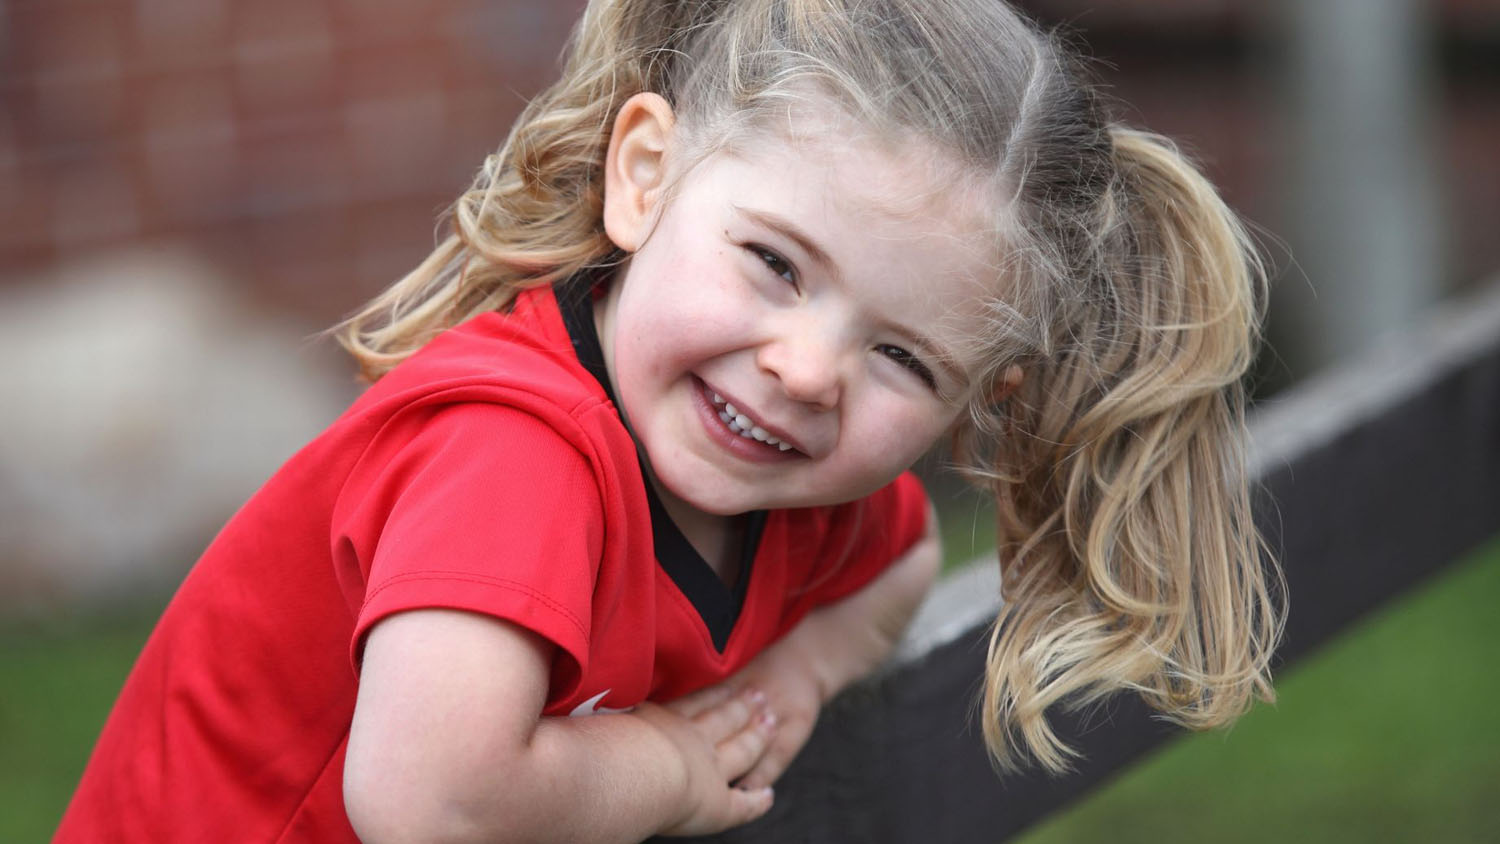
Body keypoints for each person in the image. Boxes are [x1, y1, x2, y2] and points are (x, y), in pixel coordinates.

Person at [56, 0, 1286, 841]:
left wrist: (796, 678)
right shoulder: (514, 452)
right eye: (775, 264)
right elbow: (430, 799)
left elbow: (904, 555)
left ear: (978, 403)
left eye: (903, 355)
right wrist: (672, 768)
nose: (808, 370)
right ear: (644, 176)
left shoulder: (803, 493)